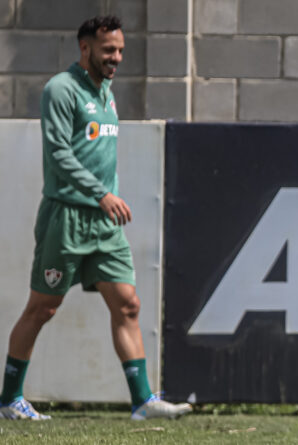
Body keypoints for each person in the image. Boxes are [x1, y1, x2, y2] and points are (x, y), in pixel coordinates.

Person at [0, 15, 191, 421]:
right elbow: (58, 154)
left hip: (104, 225)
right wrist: (101, 193)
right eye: (109, 51)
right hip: (67, 218)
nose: (116, 58)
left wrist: (106, 198)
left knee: (128, 305)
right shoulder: (60, 90)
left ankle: (142, 402)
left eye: (120, 50)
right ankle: (9, 399)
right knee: (43, 309)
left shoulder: (107, 90)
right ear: (85, 48)